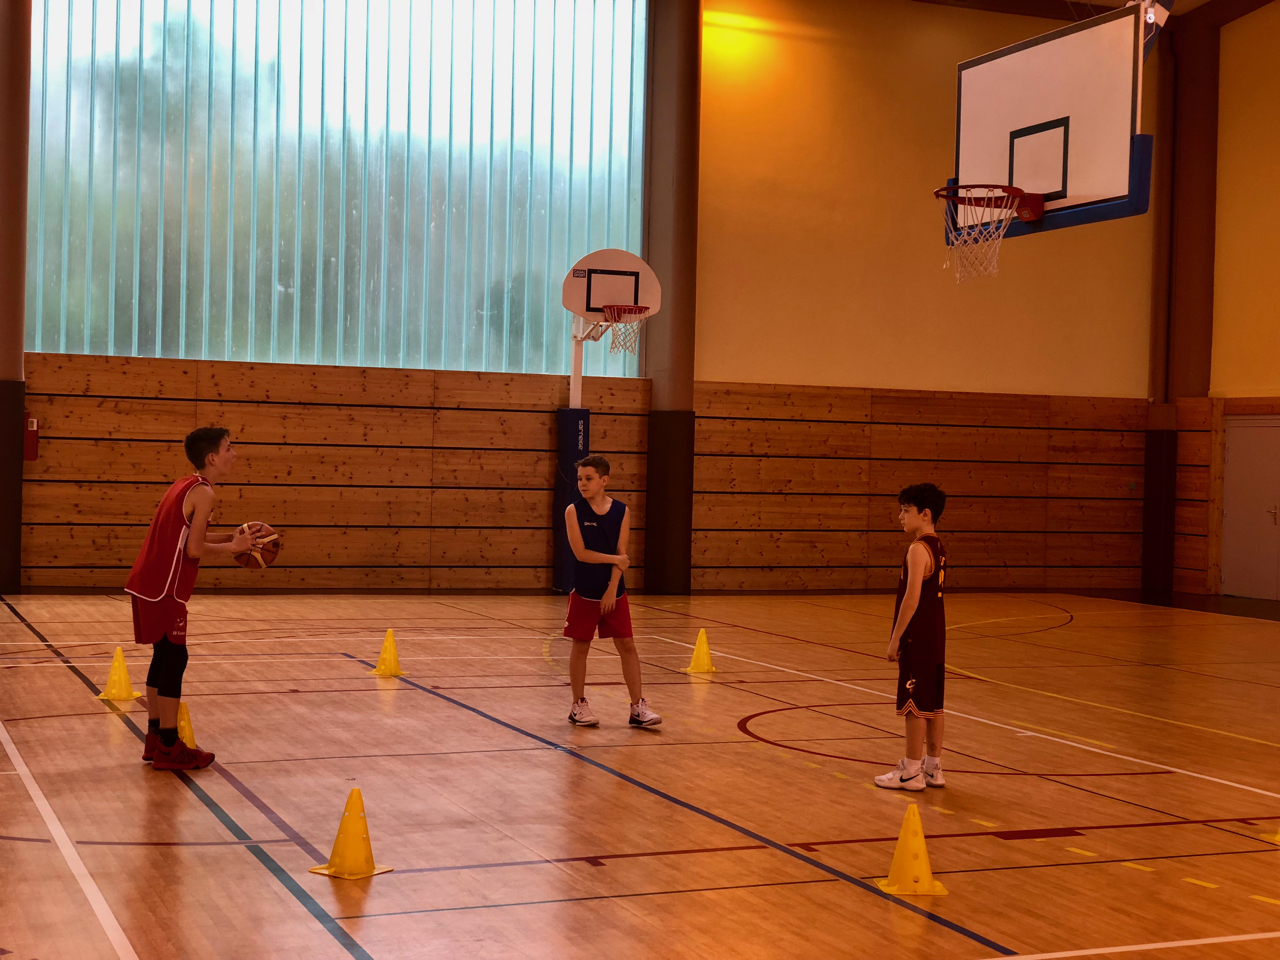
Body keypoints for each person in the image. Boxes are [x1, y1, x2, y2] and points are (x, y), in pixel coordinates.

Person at [125, 427, 256, 771]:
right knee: (174, 658)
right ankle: (169, 746)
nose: (234, 454)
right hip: (165, 586)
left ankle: (155, 737)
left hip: (148, 581)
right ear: (212, 457)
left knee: (163, 656)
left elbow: (186, 537)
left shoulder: (185, 485)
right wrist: (233, 548)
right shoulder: (206, 493)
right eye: (229, 448)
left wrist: (231, 537)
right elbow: (194, 549)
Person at [562, 455, 660, 728]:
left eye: (588, 478)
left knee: (627, 645)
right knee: (581, 646)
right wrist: (615, 560)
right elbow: (581, 553)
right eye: (580, 479)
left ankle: (637, 708)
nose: (582, 483)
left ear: (604, 480)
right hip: (584, 591)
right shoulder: (573, 511)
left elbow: (622, 555)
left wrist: (612, 587)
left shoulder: (621, 511)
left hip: (614, 592)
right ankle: (578, 706)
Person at [875, 483, 948, 791]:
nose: (900, 516)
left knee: (914, 705)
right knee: (934, 705)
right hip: (936, 634)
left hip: (917, 637)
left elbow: (911, 598)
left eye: (906, 510)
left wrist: (895, 639)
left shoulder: (918, 549)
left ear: (925, 514)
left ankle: (911, 771)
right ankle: (933, 768)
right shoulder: (938, 545)